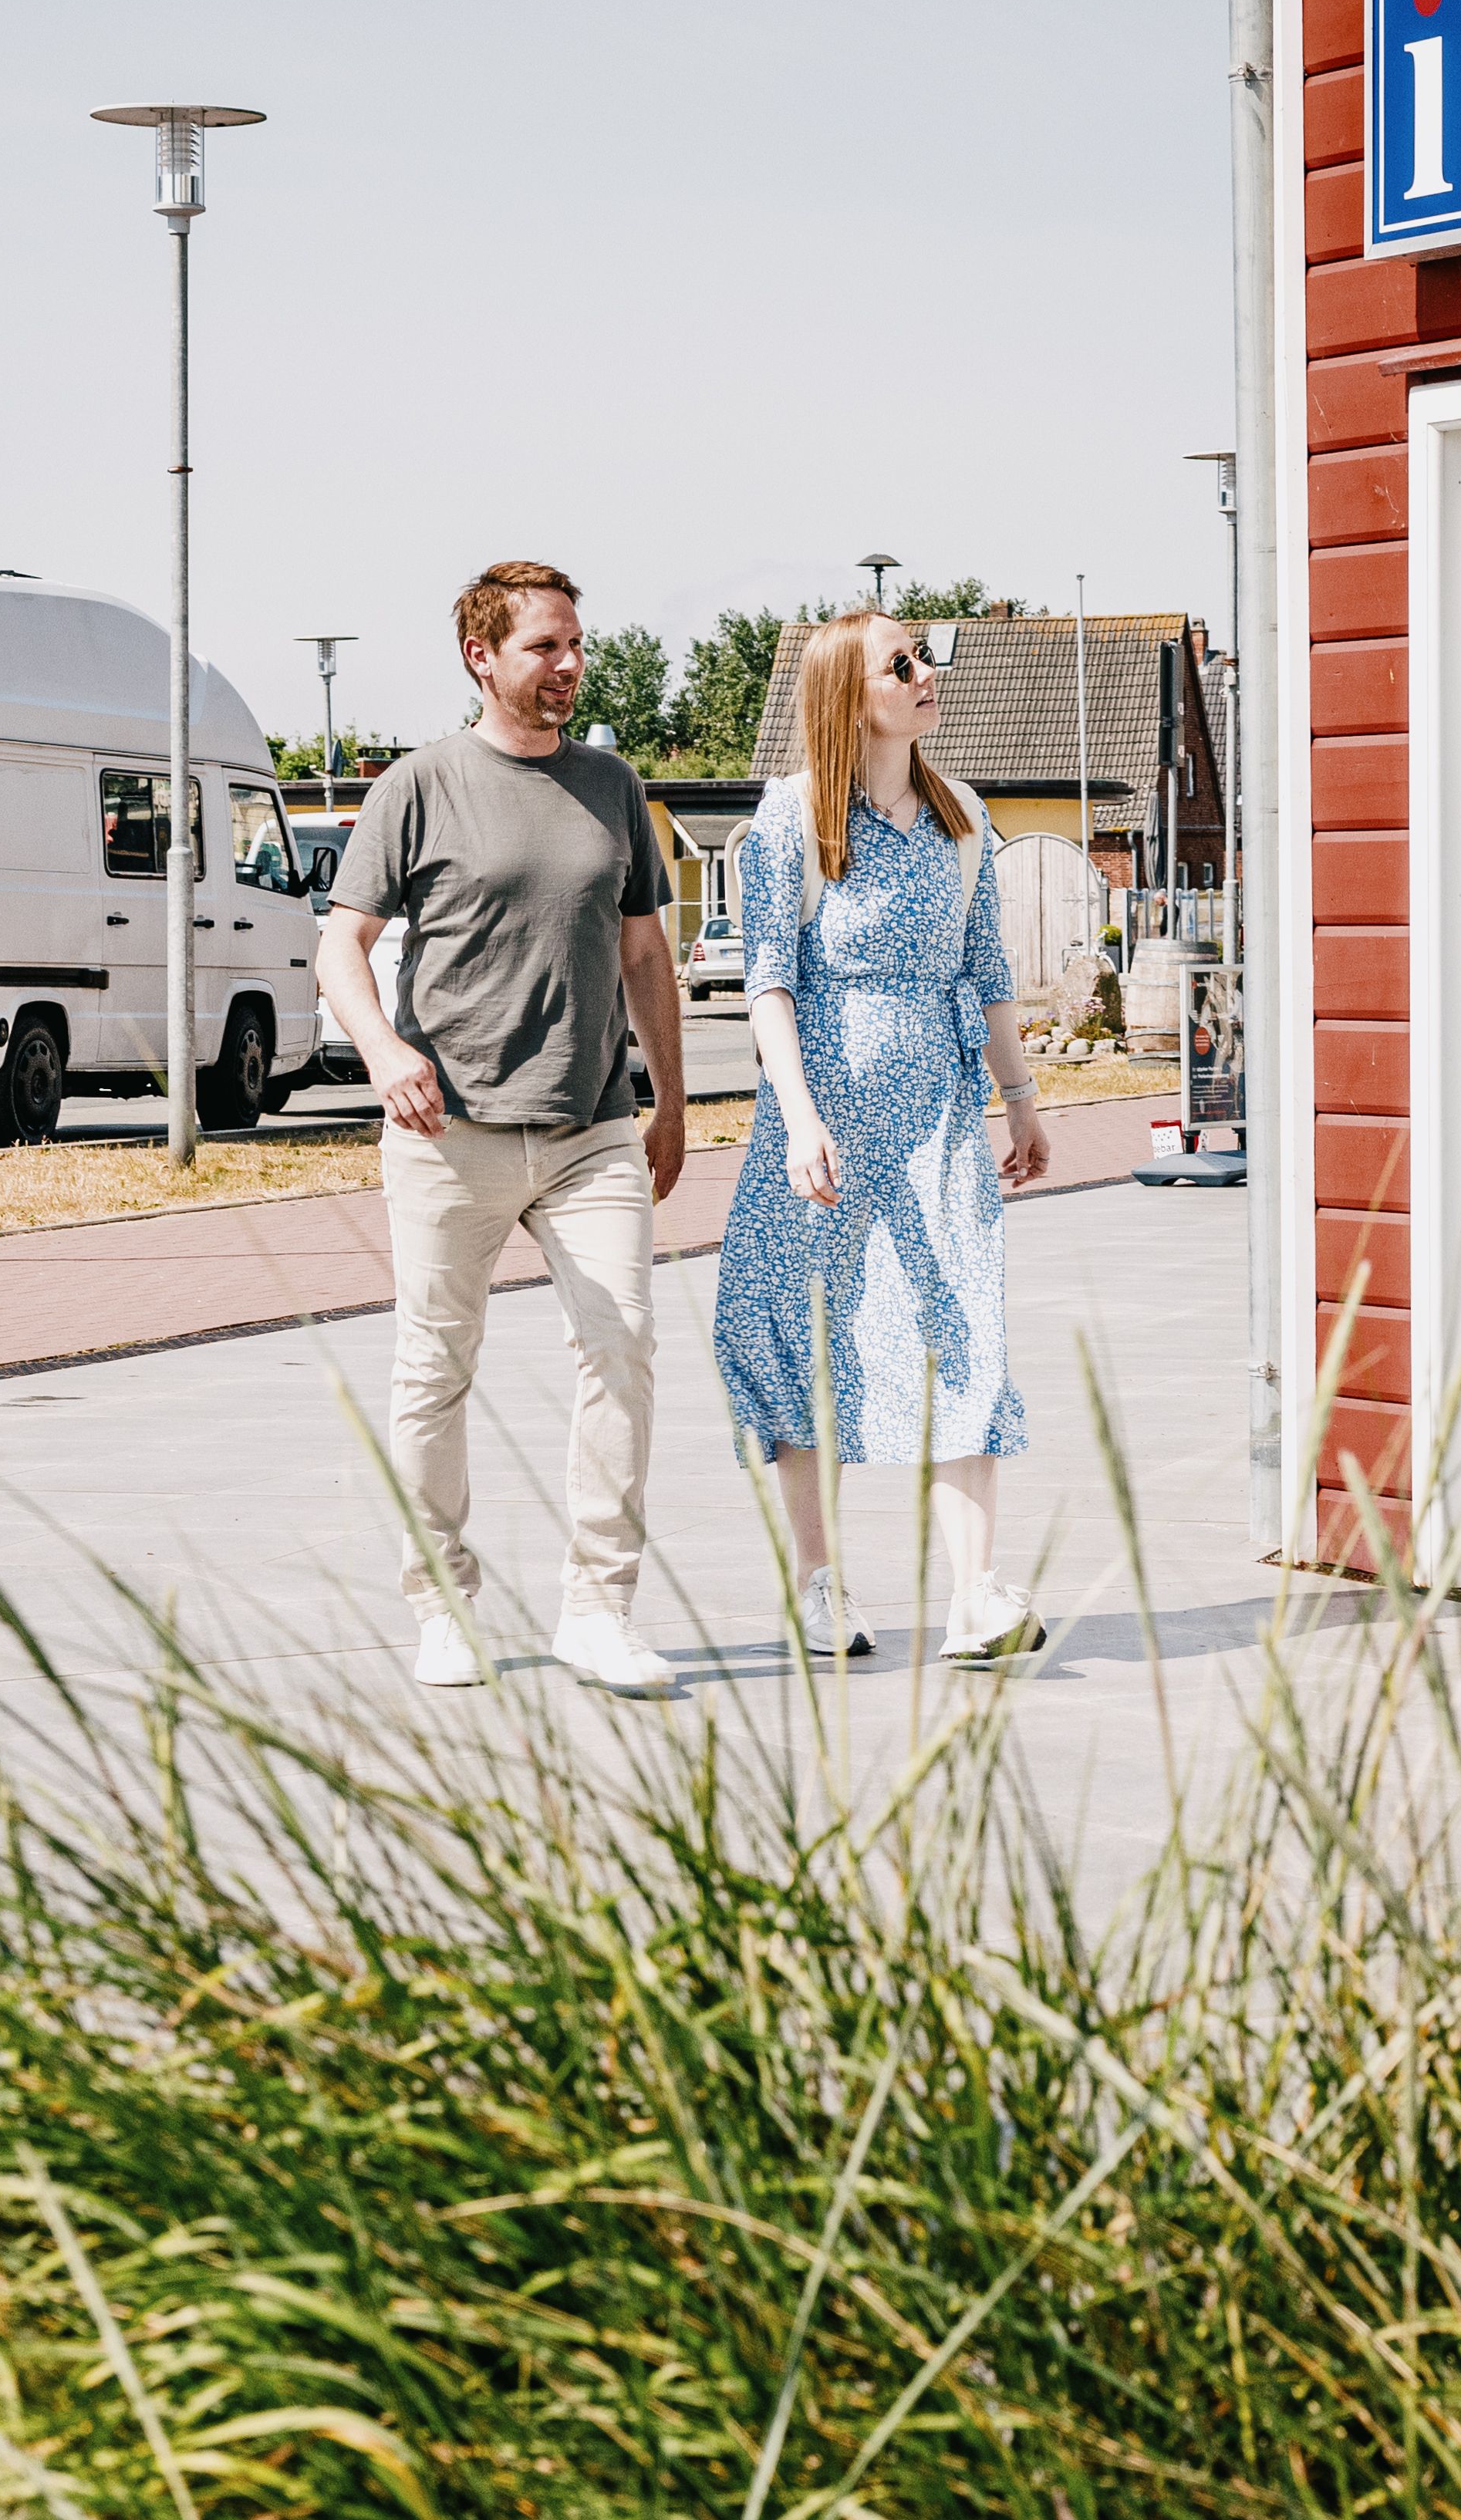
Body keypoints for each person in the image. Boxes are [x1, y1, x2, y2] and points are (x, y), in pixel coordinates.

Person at [319, 561, 695, 1698]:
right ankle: (442, 1605)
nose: (568, 665)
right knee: (434, 1368)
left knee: (622, 1348)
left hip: (591, 1129)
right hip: (451, 1129)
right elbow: (341, 946)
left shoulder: (612, 785)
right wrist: (387, 1054)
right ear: (482, 657)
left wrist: (672, 1101)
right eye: (544, 647)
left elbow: (642, 954)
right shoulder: (419, 786)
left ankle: (599, 1610)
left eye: (574, 643)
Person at [718, 612, 1051, 1664]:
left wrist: (1022, 1097)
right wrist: (798, 1118)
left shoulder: (961, 817)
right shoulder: (789, 820)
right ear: (844, 695)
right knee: (808, 1333)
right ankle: (820, 1586)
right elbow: (766, 977)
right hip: (822, 1121)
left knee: (961, 1327)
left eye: (922, 658)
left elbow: (985, 969)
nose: (922, 675)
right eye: (898, 665)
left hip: (937, 1117)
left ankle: (975, 1598)